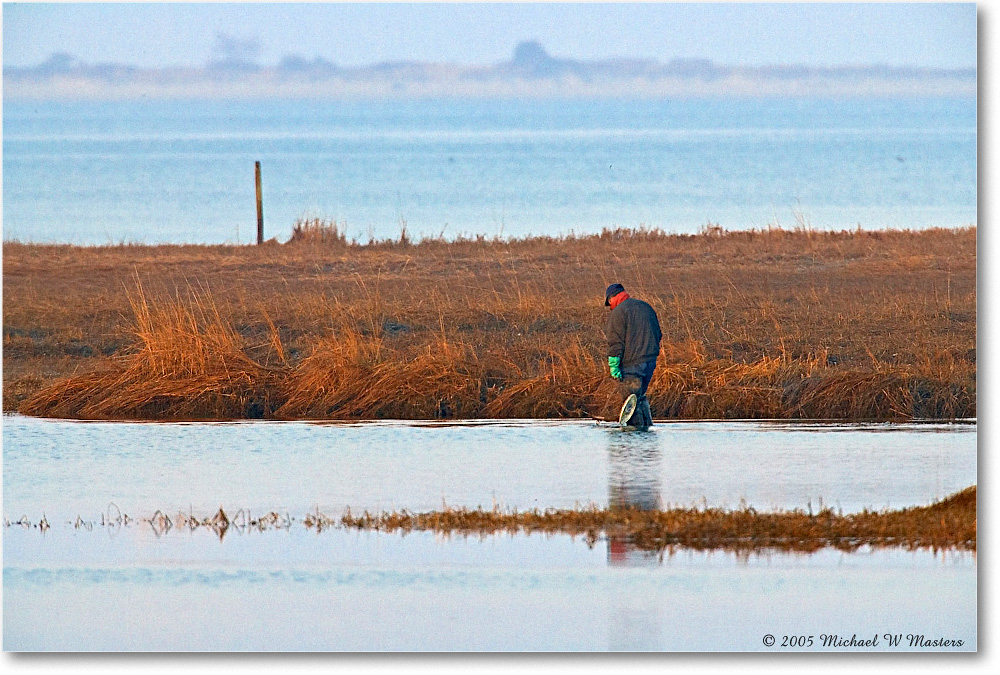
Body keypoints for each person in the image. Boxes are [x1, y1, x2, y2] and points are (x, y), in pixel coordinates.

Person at [604, 283, 661, 428]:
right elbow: (658, 334)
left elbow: (615, 342)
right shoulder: (646, 307)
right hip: (650, 361)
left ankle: (634, 438)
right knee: (640, 398)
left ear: (612, 298)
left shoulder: (619, 312)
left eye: (609, 302)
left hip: (632, 365)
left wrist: (614, 365)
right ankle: (647, 433)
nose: (609, 306)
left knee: (631, 403)